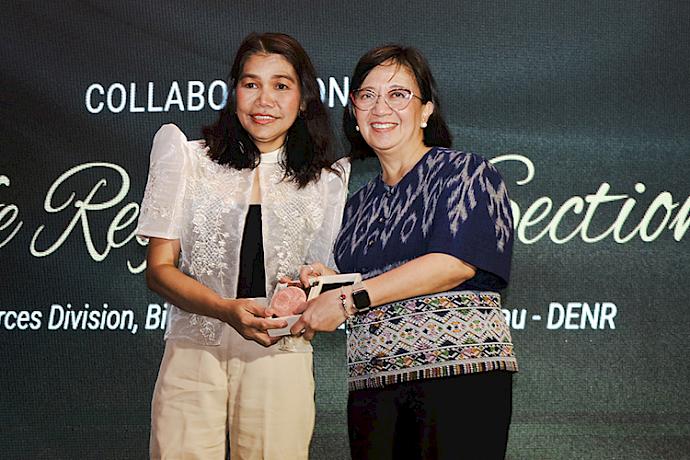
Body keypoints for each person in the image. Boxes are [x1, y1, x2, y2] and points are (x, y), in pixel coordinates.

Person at [291, 44, 517, 459]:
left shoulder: (467, 172)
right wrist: (322, 283)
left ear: (426, 111)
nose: (381, 108)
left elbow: (452, 264)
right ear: (354, 112)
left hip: (457, 383)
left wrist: (346, 300)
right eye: (367, 95)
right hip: (373, 390)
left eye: (398, 95)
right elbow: (366, 281)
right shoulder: (355, 206)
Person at [135, 32, 349, 459]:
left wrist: (317, 282)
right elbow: (159, 269)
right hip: (193, 349)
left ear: (304, 98)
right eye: (251, 84)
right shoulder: (188, 159)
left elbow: (321, 274)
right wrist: (223, 310)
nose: (263, 99)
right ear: (234, 92)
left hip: (280, 352)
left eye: (281, 86)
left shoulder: (326, 182)